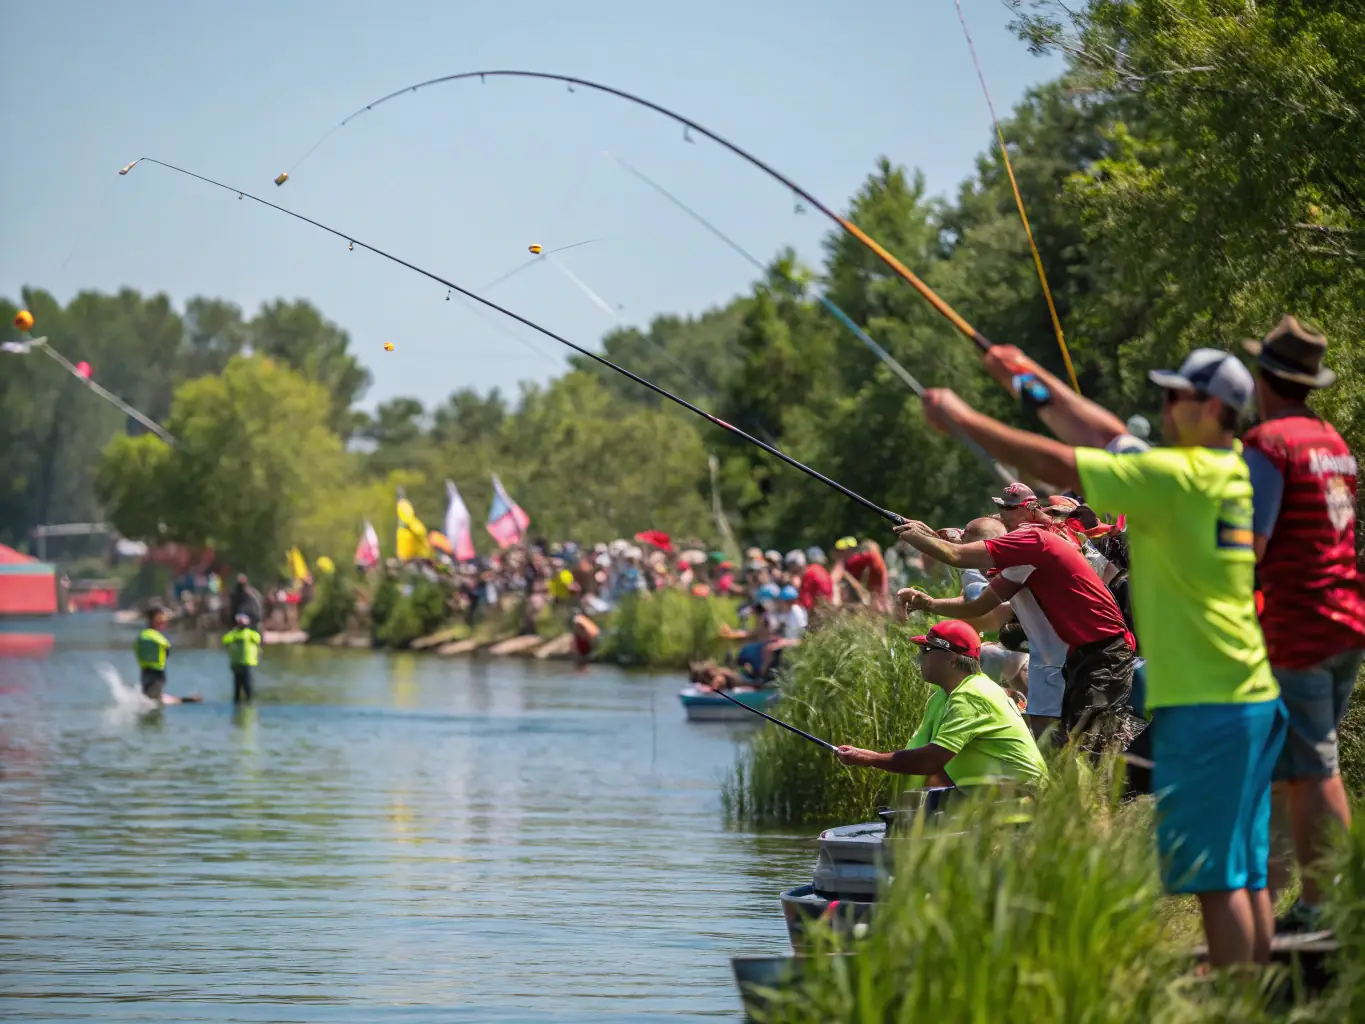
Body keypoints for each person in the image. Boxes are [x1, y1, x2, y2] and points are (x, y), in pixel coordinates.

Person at [915, 348, 1285, 968]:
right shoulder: (1233, 471)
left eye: (1176, 397)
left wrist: (963, 417)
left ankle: (1236, 997)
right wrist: (1026, 378)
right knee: (1246, 869)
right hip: (1251, 691)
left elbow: (1061, 459)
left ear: (1214, 409)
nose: (1164, 407)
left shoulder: (1174, 478)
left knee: (1219, 881)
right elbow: (1104, 433)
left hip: (1206, 701)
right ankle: (1255, 990)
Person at [1241, 316, 1365, 932]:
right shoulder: (1331, 439)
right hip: (1346, 619)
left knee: (1314, 769)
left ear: (1264, 378)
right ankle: (1319, 899)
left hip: (1301, 624)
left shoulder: (1268, 443)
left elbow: (1251, 544)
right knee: (1308, 764)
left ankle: (1329, 907)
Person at [896, 482, 1136, 744]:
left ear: (1031, 510)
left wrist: (917, 536)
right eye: (1001, 508)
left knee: (1089, 744)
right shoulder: (1020, 559)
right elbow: (978, 606)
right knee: (1068, 745)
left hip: (1100, 648)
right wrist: (928, 602)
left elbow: (958, 557)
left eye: (1009, 508)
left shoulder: (1032, 541)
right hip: (1075, 653)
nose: (1002, 513)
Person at [835, 620, 1047, 787]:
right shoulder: (942, 697)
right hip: (989, 793)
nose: (919, 658)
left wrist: (869, 758)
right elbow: (930, 761)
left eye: (926, 651)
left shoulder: (973, 696)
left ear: (952, 659)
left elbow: (930, 761)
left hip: (1022, 796)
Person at [221, 613, 262, 703]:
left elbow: (258, 639)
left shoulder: (251, 633)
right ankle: (237, 703)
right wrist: (234, 633)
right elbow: (225, 640)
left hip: (248, 662)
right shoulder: (233, 634)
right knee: (237, 687)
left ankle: (250, 701)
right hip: (236, 663)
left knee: (248, 685)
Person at [135, 606, 172, 702]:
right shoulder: (159, 638)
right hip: (157, 673)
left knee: (149, 697)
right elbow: (167, 651)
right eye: (161, 618)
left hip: (145, 672)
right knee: (154, 701)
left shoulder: (141, 636)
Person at [845, 539, 891, 613]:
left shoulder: (873, 558)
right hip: (873, 595)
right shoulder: (876, 560)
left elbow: (850, 565)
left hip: (871, 596)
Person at [797, 546, 833, 611]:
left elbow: (805, 594)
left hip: (815, 609)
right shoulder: (824, 571)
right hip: (827, 606)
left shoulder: (809, 571)